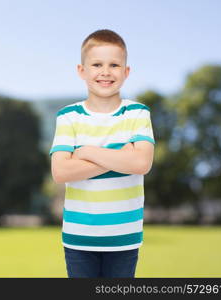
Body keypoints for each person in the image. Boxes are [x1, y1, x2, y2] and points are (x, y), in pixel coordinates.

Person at [49, 29, 155, 278]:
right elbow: (61, 171)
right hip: (79, 239)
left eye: (114, 65)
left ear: (126, 72)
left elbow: (142, 163)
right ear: (82, 70)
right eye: (97, 64)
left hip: (124, 238)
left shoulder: (138, 113)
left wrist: (86, 153)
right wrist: (121, 155)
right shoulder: (68, 116)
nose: (105, 72)